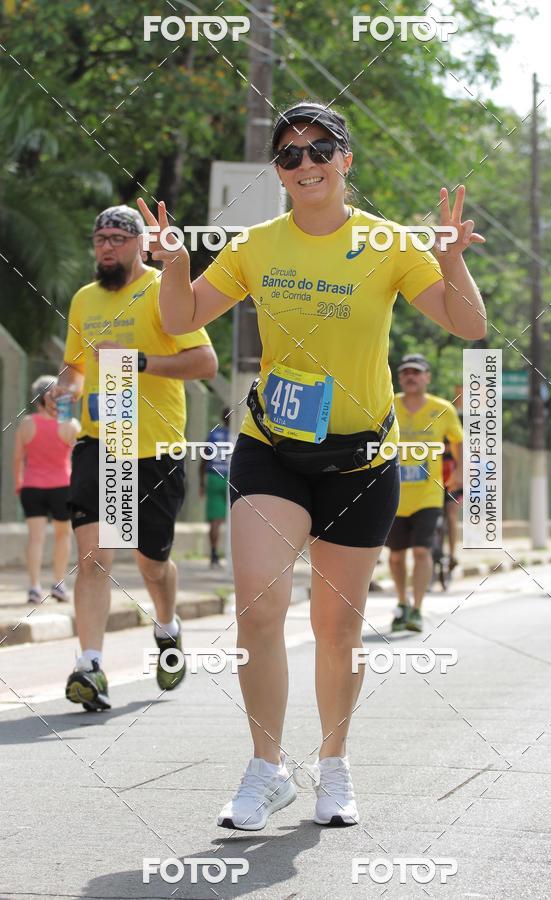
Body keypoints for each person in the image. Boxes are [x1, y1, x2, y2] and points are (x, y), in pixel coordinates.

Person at [138, 100, 486, 830]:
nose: (306, 165)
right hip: (273, 449)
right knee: (260, 609)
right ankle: (266, 770)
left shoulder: (389, 244)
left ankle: (334, 766)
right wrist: (175, 265)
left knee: (337, 630)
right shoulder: (257, 245)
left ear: (345, 160)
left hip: (360, 461)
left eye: (320, 149)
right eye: (290, 155)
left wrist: (451, 259)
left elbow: (467, 324)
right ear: (278, 170)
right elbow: (179, 319)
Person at [47, 205, 217, 711]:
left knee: (152, 562)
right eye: (100, 237)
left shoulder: (164, 291)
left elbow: (205, 361)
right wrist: (63, 394)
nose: (106, 246)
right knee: (95, 557)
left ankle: (167, 628)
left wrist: (140, 361)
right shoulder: (83, 299)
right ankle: (90, 666)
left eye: (118, 238)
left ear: (142, 245)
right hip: (101, 443)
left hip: (154, 449)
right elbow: (76, 369)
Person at [386, 355, 463, 633]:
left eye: (416, 373)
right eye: (405, 372)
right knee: (395, 557)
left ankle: (417, 609)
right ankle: (402, 602)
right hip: (392, 493)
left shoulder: (442, 409)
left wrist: (460, 471)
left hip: (429, 495)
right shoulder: (387, 403)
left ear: (427, 377)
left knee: (421, 551)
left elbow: (458, 441)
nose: (410, 377)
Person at [13, 375, 79, 604]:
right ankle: (59, 584)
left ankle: (33, 587)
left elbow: (17, 459)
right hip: (62, 487)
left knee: (35, 538)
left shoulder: (26, 424)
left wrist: (18, 483)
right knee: (63, 536)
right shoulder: (70, 425)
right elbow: (79, 457)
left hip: (32, 487)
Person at [200, 407, 231, 566]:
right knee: (238, 518)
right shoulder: (237, 435)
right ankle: (235, 555)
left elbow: (204, 459)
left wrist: (201, 483)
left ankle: (213, 554)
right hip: (231, 476)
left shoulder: (214, 435)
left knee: (215, 521)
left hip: (213, 475)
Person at [442, 436, 464, 570]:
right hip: (434, 485)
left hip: (454, 485)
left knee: (451, 514)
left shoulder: (459, 442)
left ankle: (452, 554)